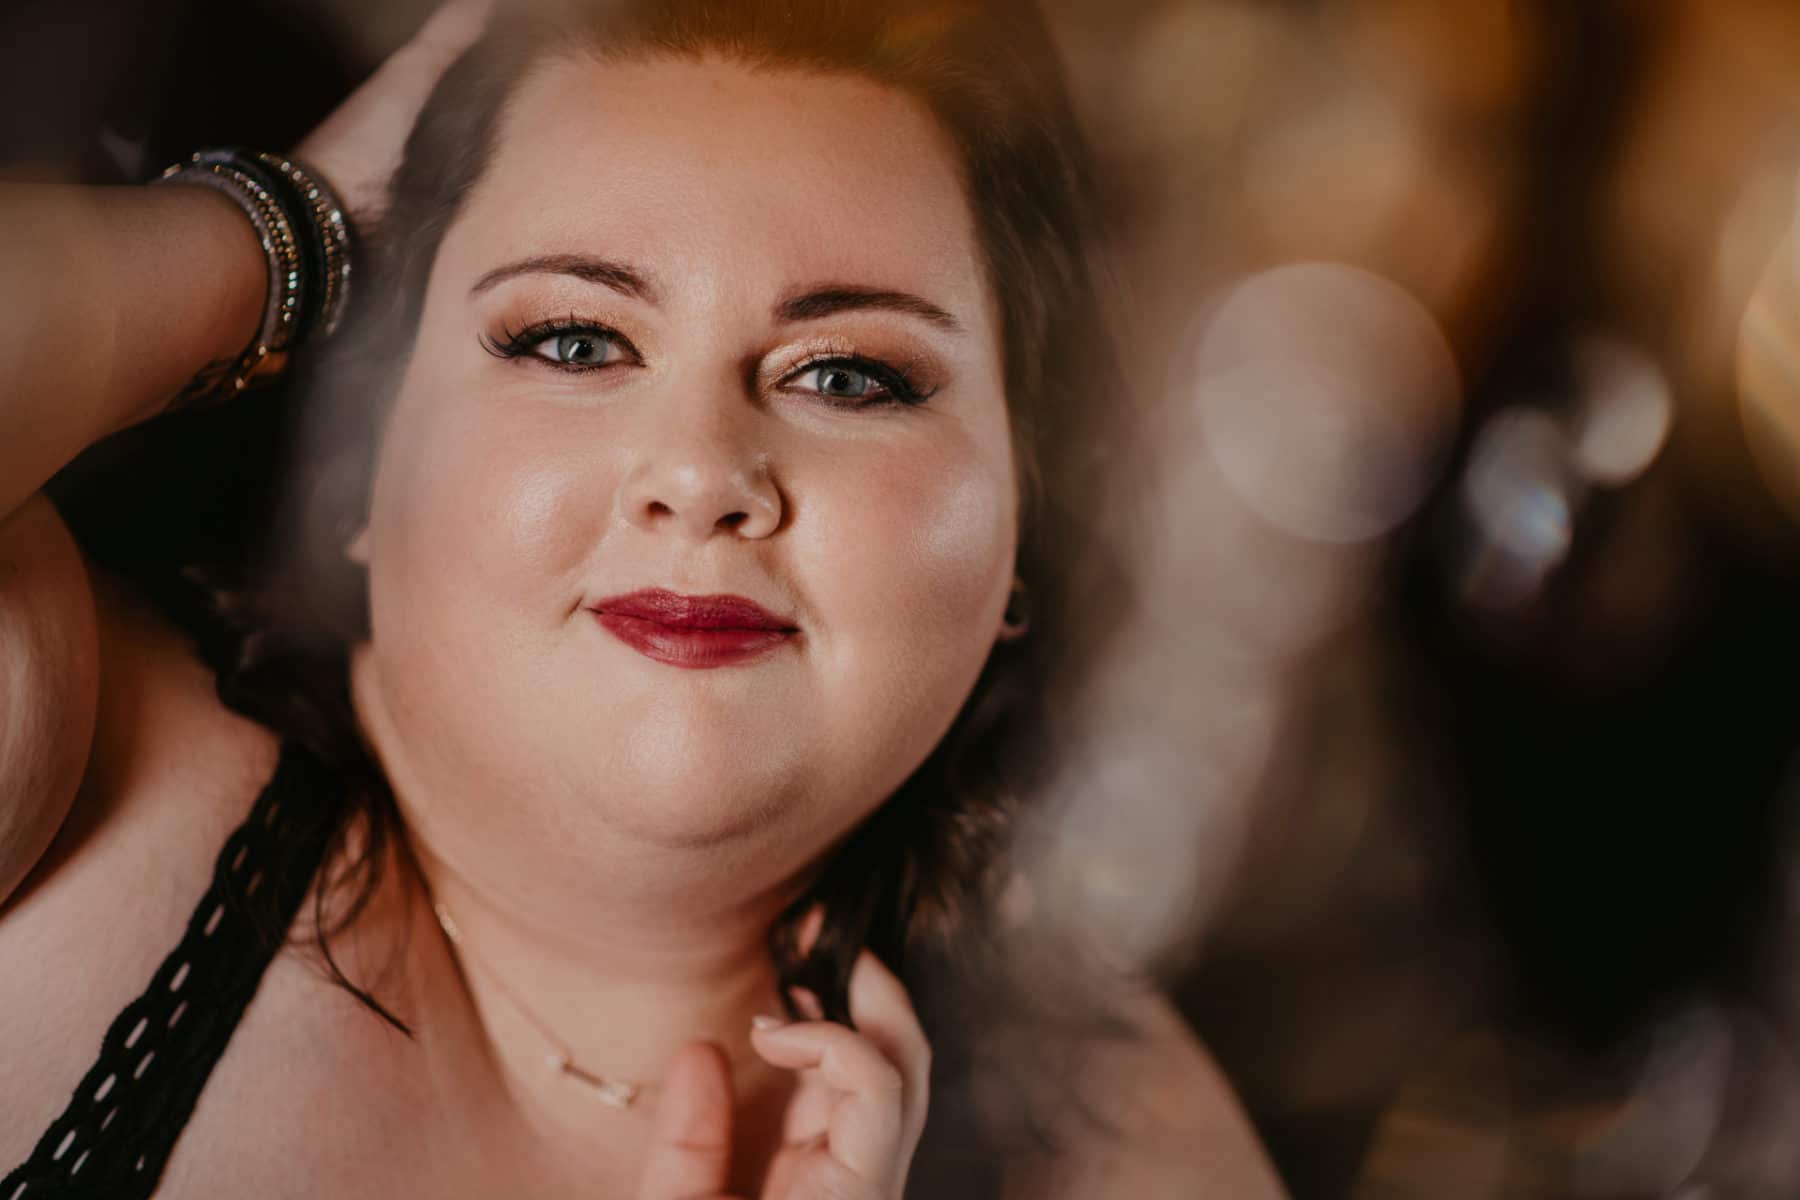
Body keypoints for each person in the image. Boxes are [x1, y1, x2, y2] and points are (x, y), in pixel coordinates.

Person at [0, 0, 1285, 1195]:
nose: (701, 476)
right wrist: (290, 220)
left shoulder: (1122, 1142)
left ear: (1024, 530)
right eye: (574, 342)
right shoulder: (73, 775)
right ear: (361, 467)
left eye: (848, 377)